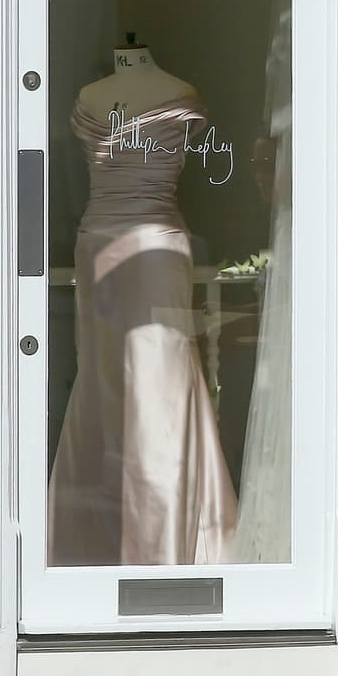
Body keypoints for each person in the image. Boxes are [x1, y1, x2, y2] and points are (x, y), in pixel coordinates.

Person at [48, 39, 237, 566]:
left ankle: (162, 538)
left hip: (145, 246)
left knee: (161, 377)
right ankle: (98, 540)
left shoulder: (173, 93)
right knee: (106, 379)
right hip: (109, 247)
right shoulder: (110, 95)